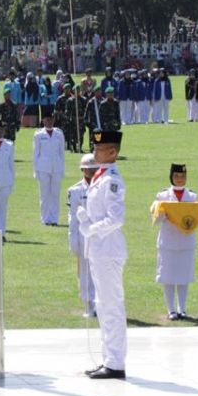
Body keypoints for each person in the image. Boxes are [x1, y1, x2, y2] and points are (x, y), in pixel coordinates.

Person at [76, 130, 127, 380]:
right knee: (102, 305)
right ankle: (108, 358)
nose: (95, 151)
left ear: (113, 152)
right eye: (94, 147)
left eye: (100, 148)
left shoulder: (112, 180)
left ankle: (116, 362)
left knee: (111, 305)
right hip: (98, 249)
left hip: (108, 250)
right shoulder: (100, 176)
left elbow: (115, 218)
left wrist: (90, 228)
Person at [152, 163, 198, 320]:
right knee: (168, 277)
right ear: (171, 177)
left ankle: (182, 309)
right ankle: (171, 310)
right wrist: (164, 213)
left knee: (184, 277)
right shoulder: (162, 196)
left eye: (183, 176)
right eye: (177, 176)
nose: (180, 179)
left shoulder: (192, 197)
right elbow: (156, 219)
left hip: (186, 241)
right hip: (168, 241)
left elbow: (196, 218)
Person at [67, 153, 98, 317]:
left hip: (99, 235)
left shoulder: (102, 187)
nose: (91, 172)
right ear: (82, 170)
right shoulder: (75, 190)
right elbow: (73, 218)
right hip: (83, 236)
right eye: (87, 169)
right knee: (85, 273)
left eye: (93, 168)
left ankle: (100, 305)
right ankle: (88, 305)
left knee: (99, 272)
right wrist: (72, 239)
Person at [32, 113, 66, 226]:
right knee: (44, 194)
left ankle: (54, 218)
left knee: (55, 194)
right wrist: (35, 170)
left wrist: (62, 169)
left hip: (56, 167)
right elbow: (35, 153)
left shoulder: (59, 134)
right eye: (47, 119)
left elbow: (62, 153)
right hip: (43, 167)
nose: (49, 122)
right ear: (43, 121)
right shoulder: (38, 135)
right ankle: (45, 218)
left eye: (51, 119)